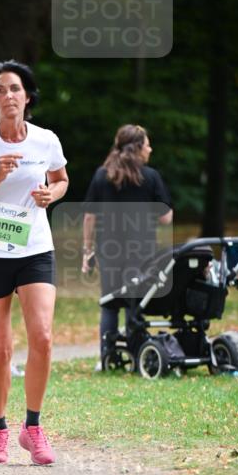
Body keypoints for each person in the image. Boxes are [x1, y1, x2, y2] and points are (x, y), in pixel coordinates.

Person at [0, 59, 69, 466]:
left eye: (14, 89)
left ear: (27, 97)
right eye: (0, 90)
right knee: (0, 349)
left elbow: (61, 179)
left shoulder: (45, 140)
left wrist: (51, 195)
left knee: (43, 337)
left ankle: (33, 427)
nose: (8, 96)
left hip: (34, 248)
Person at [82, 124, 173, 368]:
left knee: (109, 303)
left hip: (109, 251)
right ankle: (135, 355)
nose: (150, 149)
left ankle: (107, 357)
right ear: (138, 148)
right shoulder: (150, 177)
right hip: (141, 252)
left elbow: (89, 217)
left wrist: (87, 251)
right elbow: (166, 218)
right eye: (147, 145)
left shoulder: (101, 175)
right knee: (135, 302)